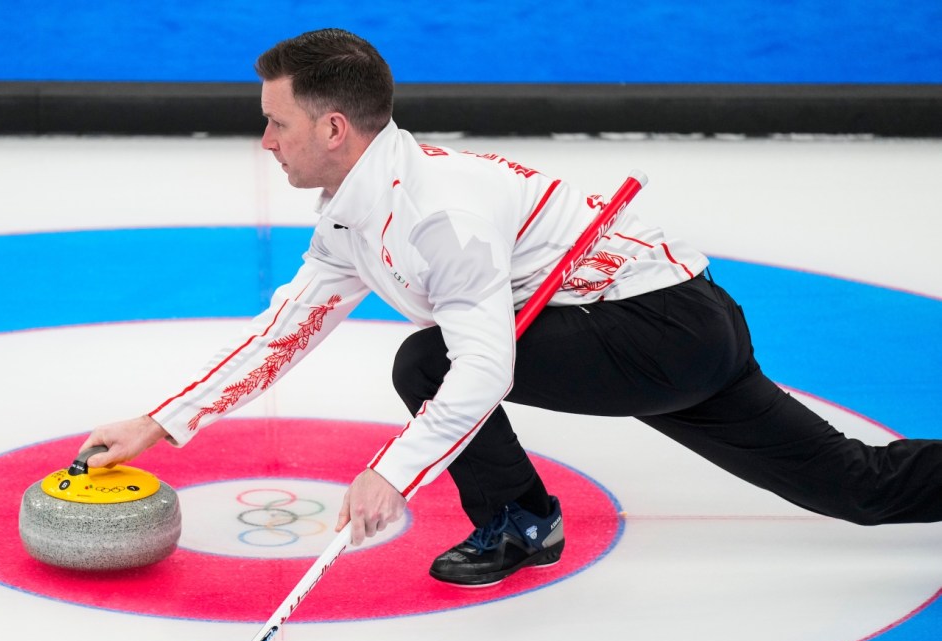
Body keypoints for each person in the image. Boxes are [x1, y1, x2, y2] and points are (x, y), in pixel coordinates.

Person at [80, 28, 942, 587]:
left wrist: (393, 472)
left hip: (658, 332)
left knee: (427, 361)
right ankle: (520, 519)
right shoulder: (355, 204)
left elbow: (484, 365)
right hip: (676, 329)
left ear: (334, 128)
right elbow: (288, 326)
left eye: (276, 123)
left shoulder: (434, 216)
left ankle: (519, 523)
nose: (264, 141)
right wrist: (160, 423)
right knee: (855, 489)